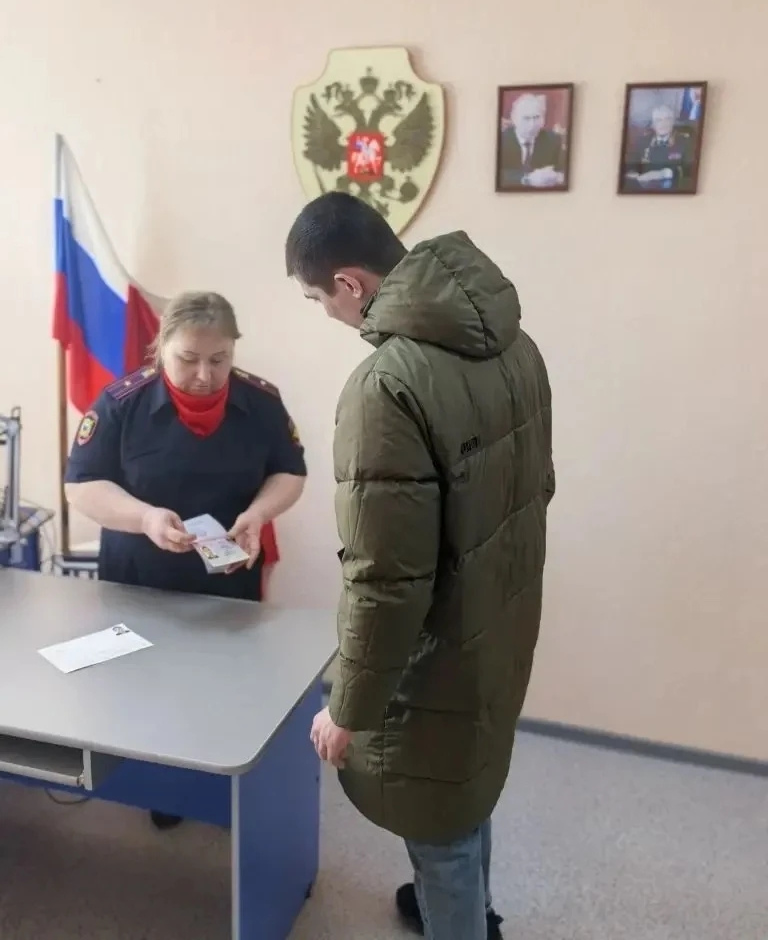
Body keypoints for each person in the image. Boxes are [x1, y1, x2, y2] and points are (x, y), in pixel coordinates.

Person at [285, 192, 555, 940]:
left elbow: (385, 582)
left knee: (440, 827)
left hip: (438, 652)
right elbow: (535, 488)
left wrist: (348, 708)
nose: (326, 313)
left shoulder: (386, 387)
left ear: (350, 284)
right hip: (502, 618)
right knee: (464, 790)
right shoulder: (513, 343)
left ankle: (462, 921)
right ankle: (475, 914)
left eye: (318, 298)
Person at [64, 290, 306, 829]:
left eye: (219, 359)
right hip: (139, 580)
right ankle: (161, 792)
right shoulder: (122, 404)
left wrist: (258, 514)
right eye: (189, 358)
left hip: (226, 583)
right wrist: (145, 517)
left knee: (225, 690)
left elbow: (290, 471)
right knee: (145, 694)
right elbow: (81, 485)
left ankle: (224, 791)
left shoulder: (261, 402)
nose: (204, 374)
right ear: (161, 347)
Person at [498, 92, 565, 189]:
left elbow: (563, 171)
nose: (532, 125)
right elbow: (496, 174)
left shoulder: (553, 140)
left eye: (537, 117)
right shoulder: (501, 141)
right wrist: (527, 179)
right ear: (514, 118)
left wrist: (556, 176)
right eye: (526, 118)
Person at [623, 103, 694, 191]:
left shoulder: (685, 142)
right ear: (653, 124)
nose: (663, 124)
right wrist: (633, 174)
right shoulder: (642, 142)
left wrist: (663, 174)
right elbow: (630, 165)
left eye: (667, 119)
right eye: (658, 120)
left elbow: (690, 171)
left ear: (673, 122)